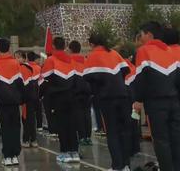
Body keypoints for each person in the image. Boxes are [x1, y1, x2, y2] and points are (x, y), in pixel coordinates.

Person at [131, 21, 180, 171]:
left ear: (149, 34)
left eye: (142, 34)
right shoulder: (170, 50)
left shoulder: (144, 51)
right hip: (175, 102)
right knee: (176, 139)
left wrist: (138, 100)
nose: (141, 38)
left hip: (156, 104)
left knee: (161, 141)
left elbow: (140, 79)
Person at [83, 33, 131, 171]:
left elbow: (87, 78)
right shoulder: (114, 53)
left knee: (112, 132)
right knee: (123, 131)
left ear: (92, 44)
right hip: (122, 96)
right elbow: (125, 69)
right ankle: (126, 165)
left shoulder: (93, 56)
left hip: (106, 98)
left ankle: (117, 166)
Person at [0, 38, 30, 166]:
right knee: (16, 127)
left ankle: (7, 156)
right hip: (14, 101)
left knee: (5, 128)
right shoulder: (16, 63)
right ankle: (15, 156)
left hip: (2, 102)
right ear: (9, 48)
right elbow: (20, 83)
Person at [40, 36, 80, 164]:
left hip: (58, 98)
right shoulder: (71, 60)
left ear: (53, 46)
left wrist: (41, 94)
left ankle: (65, 152)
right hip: (72, 97)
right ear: (64, 46)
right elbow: (76, 80)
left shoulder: (51, 60)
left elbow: (44, 80)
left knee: (62, 126)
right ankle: (74, 152)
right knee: (72, 125)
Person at [68, 40, 92, 146]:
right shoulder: (86, 60)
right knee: (87, 114)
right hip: (87, 90)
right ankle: (88, 137)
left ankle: (81, 137)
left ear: (70, 49)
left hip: (75, 90)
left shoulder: (69, 60)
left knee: (78, 114)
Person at [19, 52, 38, 148]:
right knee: (31, 118)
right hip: (33, 96)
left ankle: (27, 139)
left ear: (24, 58)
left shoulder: (23, 68)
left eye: (18, 57)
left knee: (26, 118)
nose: (16, 59)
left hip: (26, 97)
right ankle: (33, 139)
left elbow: (24, 84)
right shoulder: (31, 67)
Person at [27, 51, 44, 133]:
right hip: (37, 92)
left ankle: (30, 126)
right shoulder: (38, 68)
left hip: (28, 94)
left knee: (29, 111)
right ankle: (39, 126)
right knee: (38, 110)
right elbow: (41, 82)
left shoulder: (24, 67)